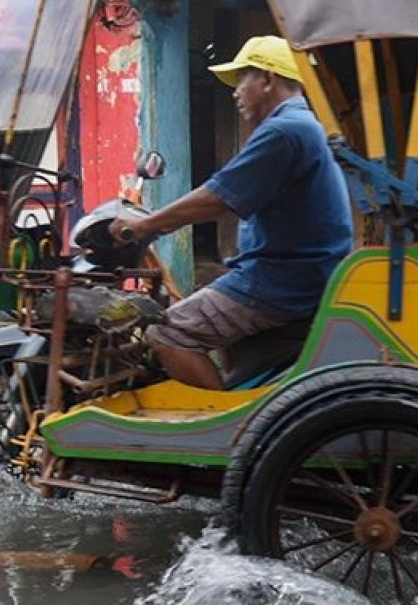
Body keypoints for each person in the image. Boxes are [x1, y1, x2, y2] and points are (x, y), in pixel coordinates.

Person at [109, 35, 354, 390]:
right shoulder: (301, 125)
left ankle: (219, 422)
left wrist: (146, 224)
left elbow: (218, 197)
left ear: (267, 79)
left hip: (279, 282)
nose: (235, 92)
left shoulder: (283, 131)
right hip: (293, 274)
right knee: (208, 302)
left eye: (241, 80)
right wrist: (157, 225)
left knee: (165, 332)